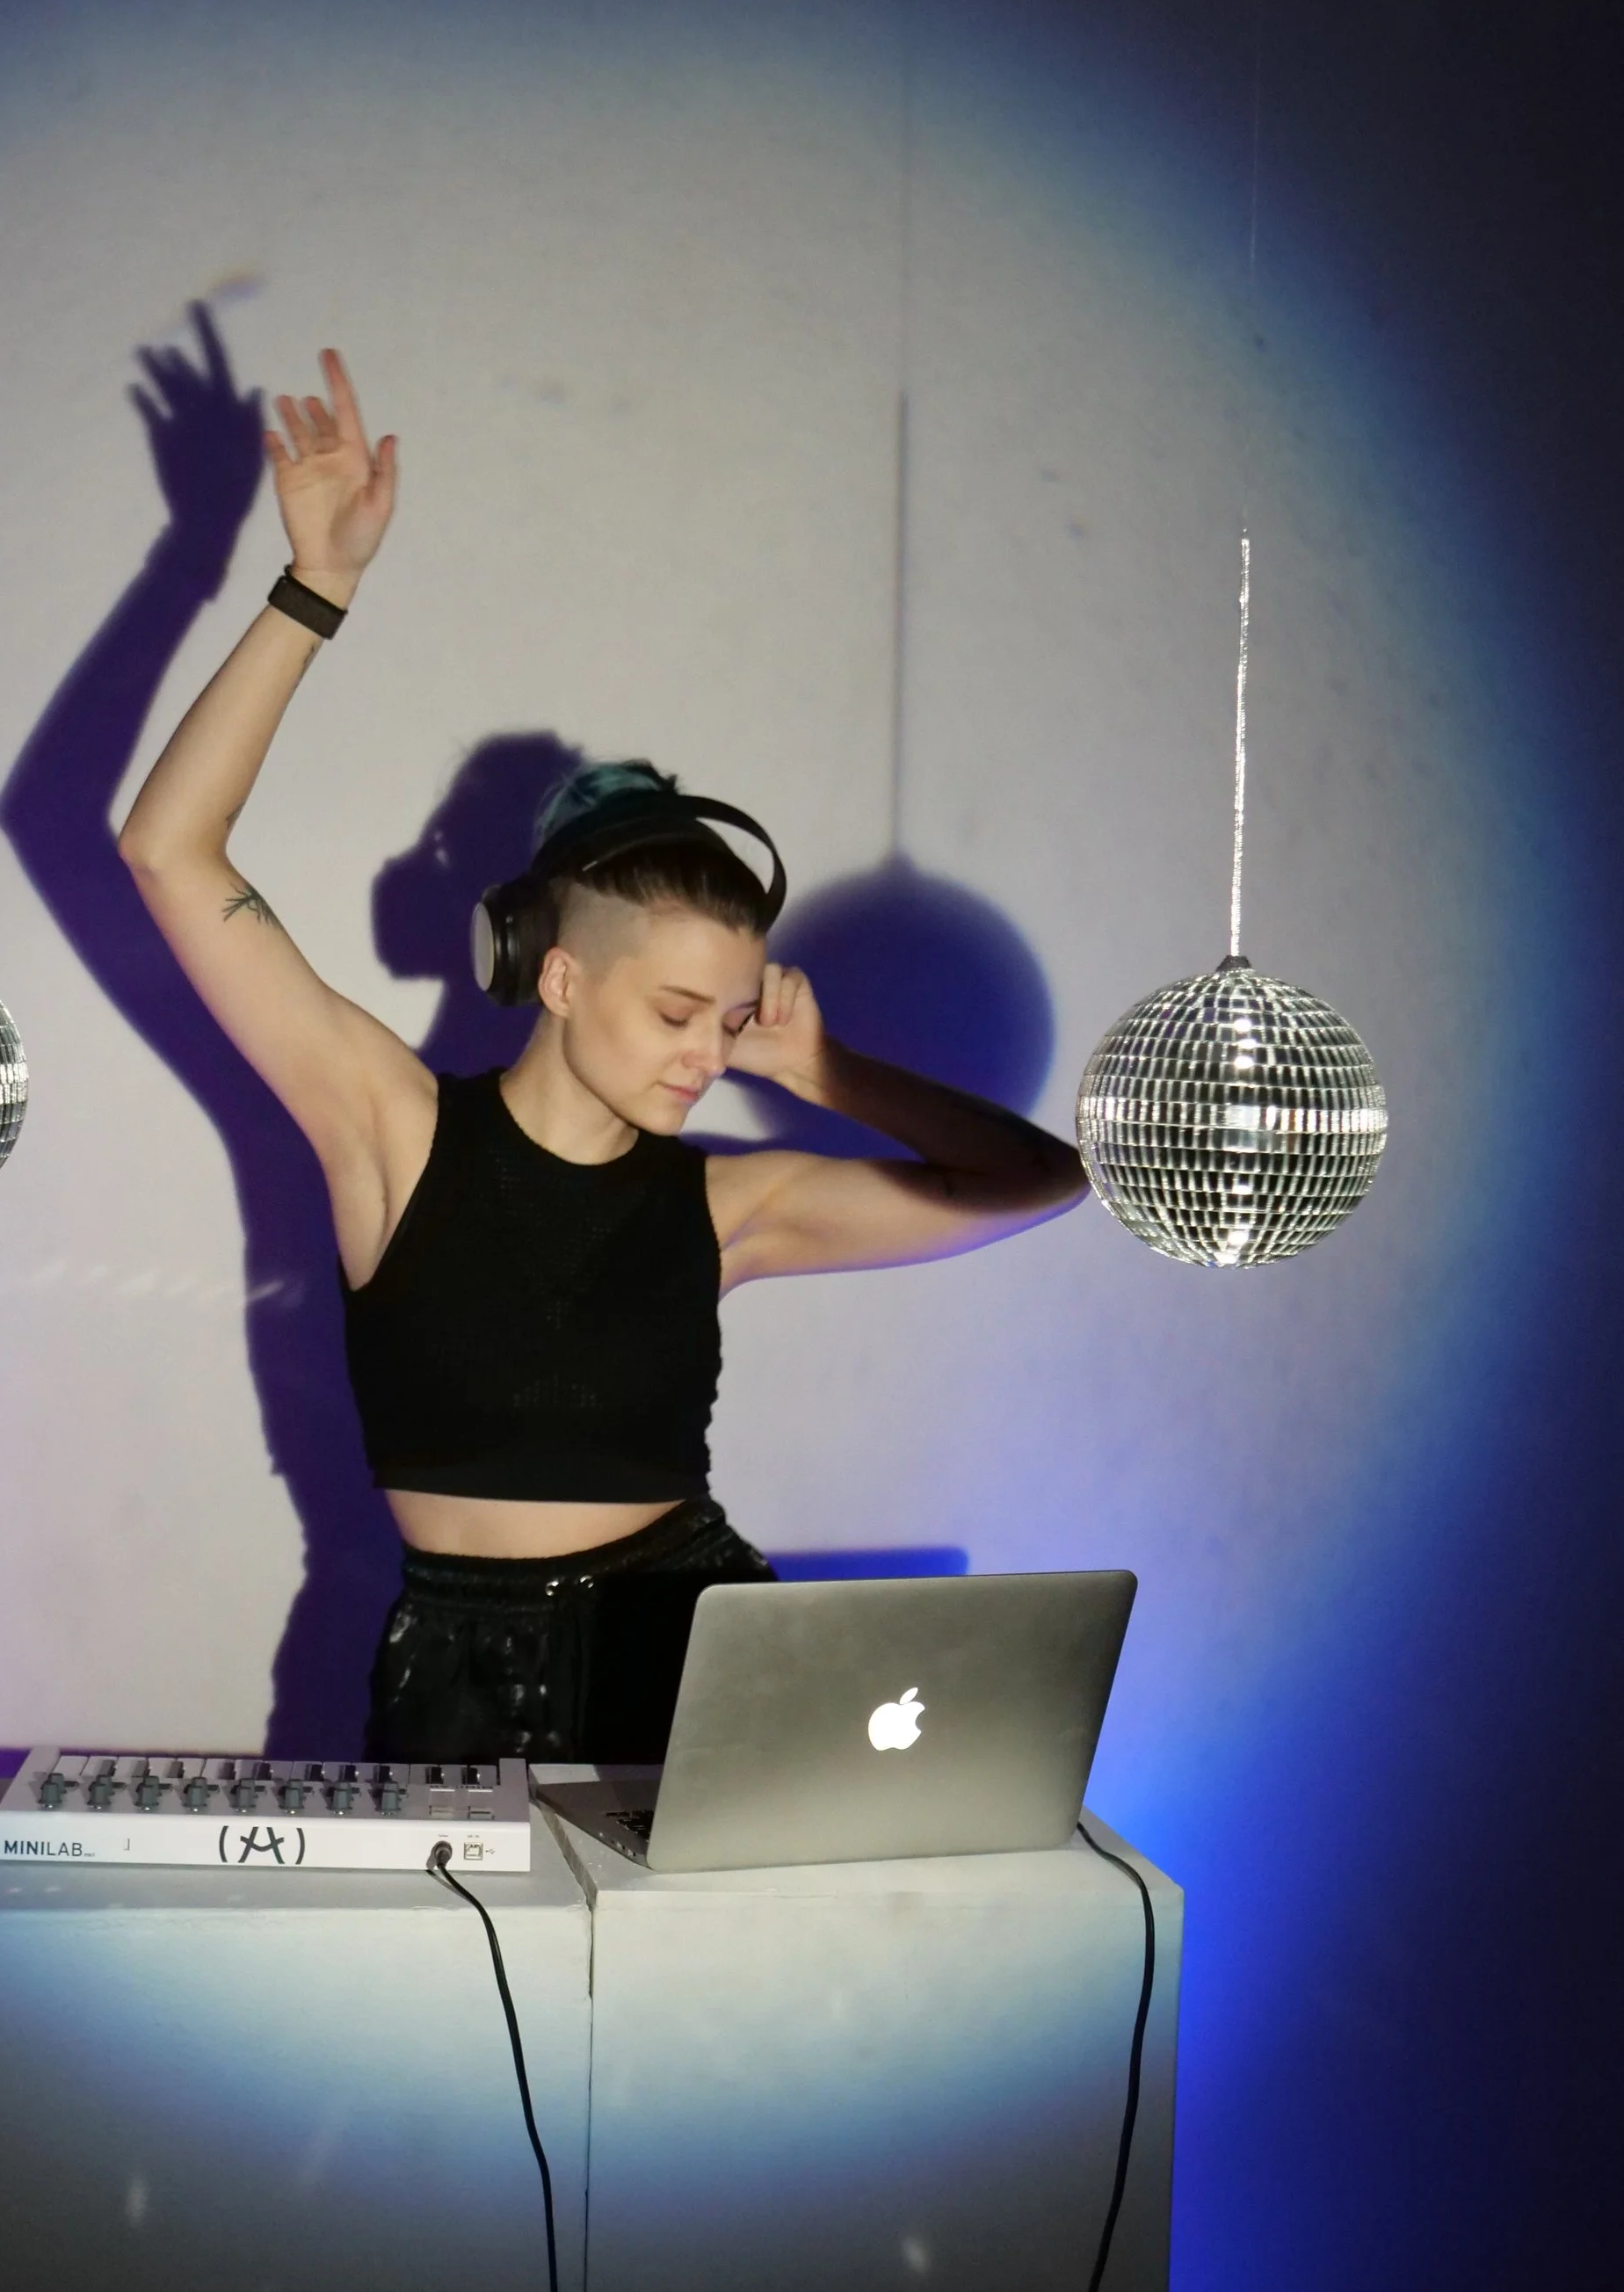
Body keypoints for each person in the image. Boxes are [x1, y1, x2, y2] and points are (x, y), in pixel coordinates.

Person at [118, 349, 1089, 1761]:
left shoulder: (724, 1204)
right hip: (451, 1678)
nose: (708, 1053)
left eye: (730, 1014)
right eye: (675, 1013)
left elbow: (1043, 1182)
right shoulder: (391, 1128)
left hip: (688, 1659)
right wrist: (310, 589)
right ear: (558, 976)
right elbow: (166, 849)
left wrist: (826, 1079)